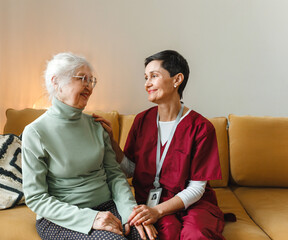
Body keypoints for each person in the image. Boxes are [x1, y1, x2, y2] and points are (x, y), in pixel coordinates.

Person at [21, 52, 157, 240]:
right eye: (82, 79)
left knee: (148, 235)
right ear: (56, 81)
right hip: (61, 218)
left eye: (91, 80)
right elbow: (36, 198)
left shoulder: (96, 126)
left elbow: (116, 176)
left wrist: (129, 213)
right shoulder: (35, 132)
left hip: (108, 207)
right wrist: (90, 218)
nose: (89, 87)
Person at [94, 50, 225, 239]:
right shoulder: (141, 121)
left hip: (193, 203)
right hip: (151, 201)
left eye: (154, 76)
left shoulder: (202, 127)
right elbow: (130, 170)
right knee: (165, 233)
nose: (147, 84)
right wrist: (112, 142)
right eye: (146, 77)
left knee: (196, 234)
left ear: (177, 79)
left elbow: (197, 188)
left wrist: (158, 211)